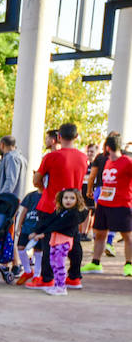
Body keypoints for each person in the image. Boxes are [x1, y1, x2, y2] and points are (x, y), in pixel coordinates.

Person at [31, 123, 87, 290]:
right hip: (74, 205)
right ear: (76, 137)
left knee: (49, 242)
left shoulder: (51, 157)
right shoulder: (83, 157)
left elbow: (36, 179)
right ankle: (74, 277)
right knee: (74, 241)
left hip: (52, 204)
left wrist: (42, 186)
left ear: (59, 137)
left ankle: (47, 278)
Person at [86, 133, 131, 276]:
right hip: (104, 203)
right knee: (99, 234)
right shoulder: (107, 161)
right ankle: (95, 263)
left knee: (127, 236)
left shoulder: (127, 161)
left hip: (122, 204)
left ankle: (129, 265)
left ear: (107, 147)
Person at [28, 188, 86, 296]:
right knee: (53, 263)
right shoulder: (60, 211)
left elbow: (58, 225)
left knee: (59, 264)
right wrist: (37, 231)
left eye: (72, 198)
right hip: (54, 241)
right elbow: (49, 221)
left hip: (64, 242)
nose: (68, 200)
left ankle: (61, 287)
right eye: (66, 198)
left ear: (77, 200)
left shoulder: (74, 214)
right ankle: (56, 285)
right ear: (61, 199)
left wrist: (42, 233)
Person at [12, 183, 44, 285]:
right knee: (20, 247)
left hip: (39, 228)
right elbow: (24, 212)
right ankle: (27, 271)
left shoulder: (48, 196)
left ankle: (37, 275)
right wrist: (18, 226)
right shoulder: (30, 196)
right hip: (26, 228)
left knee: (38, 250)